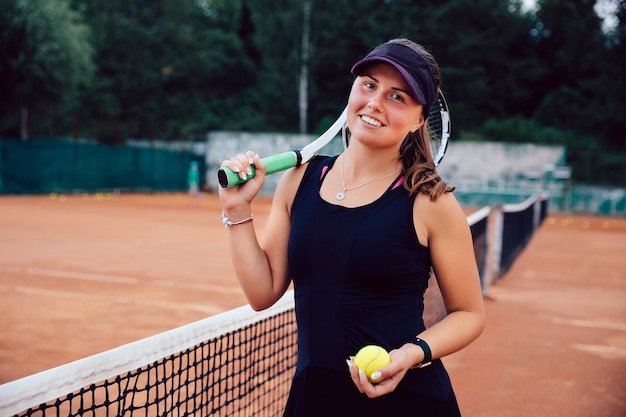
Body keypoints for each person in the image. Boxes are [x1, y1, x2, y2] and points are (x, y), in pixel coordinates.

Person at [218, 38, 485, 416]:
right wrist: (237, 209)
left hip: (406, 400)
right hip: (315, 398)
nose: (375, 102)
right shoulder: (298, 181)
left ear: (419, 119)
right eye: (369, 84)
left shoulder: (431, 201)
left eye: (398, 97)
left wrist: (411, 355)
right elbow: (262, 293)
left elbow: (469, 314)